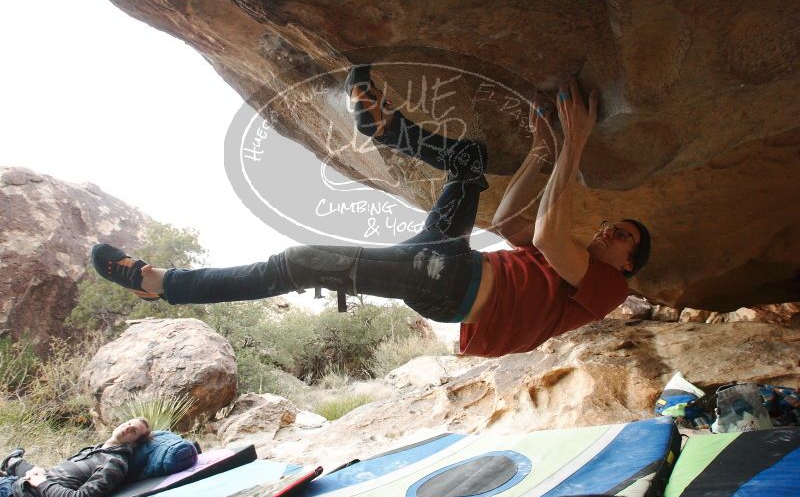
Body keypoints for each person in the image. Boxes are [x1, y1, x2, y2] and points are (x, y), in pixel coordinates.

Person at [90, 66, 649, 359]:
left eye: (622, 234)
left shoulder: (608, 288)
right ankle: (385, 127)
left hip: (451, 283)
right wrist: (541, 150)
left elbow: (550, 231)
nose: (609, 229)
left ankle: (165, 284)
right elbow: (505, 224)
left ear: (627, 264)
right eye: (614, 223)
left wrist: (574, 142)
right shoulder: (566, 267)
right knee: (469, 164)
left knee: (303, 259)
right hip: (445, 259)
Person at [0, 418, 151, 497]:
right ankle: (13, 464)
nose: (128, 427)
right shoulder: (95, 450)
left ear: (135, 442)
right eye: (129, 423)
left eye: (134, 430)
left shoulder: (113, 464)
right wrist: (40, 475)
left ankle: (14, 463)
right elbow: (61, 478)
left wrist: (42, 482)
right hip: (13, 485)